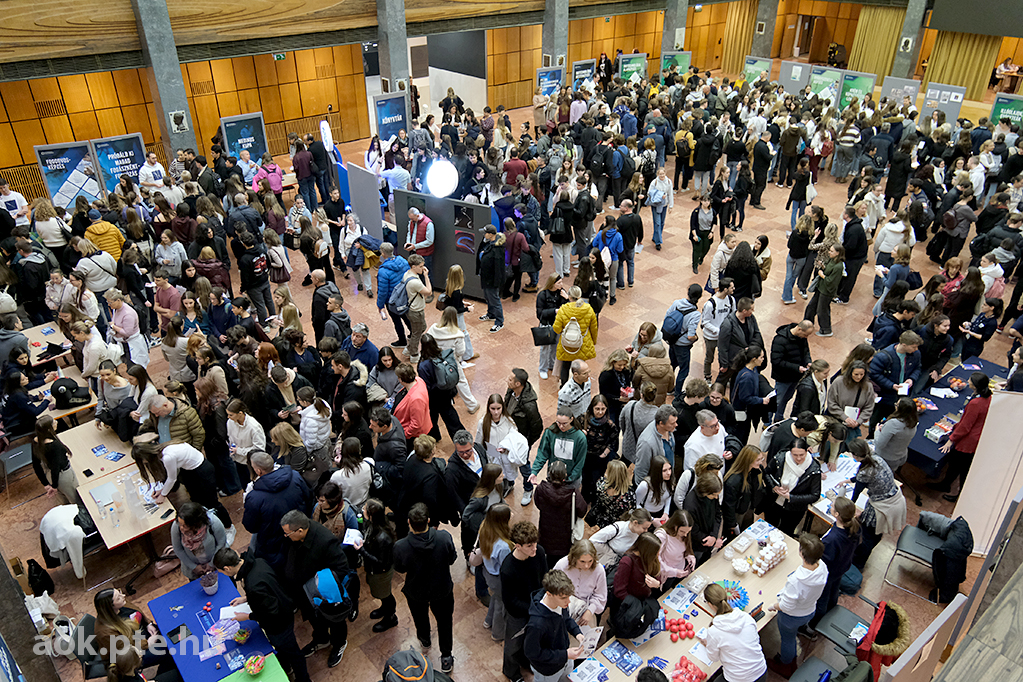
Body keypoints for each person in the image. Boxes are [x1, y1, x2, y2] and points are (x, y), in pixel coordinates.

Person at [214, 547, 311, 682]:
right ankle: (286, 666)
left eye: (222, 572)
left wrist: (247, 616)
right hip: (284, 607)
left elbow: (269, 614)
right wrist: (247, 598)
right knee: (283, 649)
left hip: (279, 624)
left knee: (293, 653)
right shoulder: (258, 562)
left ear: (227, 568)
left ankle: (303, 679)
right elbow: (268, 587)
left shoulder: (253, 585)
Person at [279, 510, 351, 668]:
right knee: (315, 620)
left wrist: (320, 586)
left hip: (324, 595)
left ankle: (339, 643)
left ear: (300, 530)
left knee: (335, 622)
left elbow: (341, 567)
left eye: (287, 533)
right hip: (304, 593)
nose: (285, 536)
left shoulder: (325, 541)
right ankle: (321, 639)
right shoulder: (296, 537)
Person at [394, 502, 458, 673]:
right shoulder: (444, 537)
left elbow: (400, 568)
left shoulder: (401, 546)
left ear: (409, 522)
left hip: (416, 591)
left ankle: (425, 639)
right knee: (445, 622)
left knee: (420, 617)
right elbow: (452, 558)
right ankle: (446, 656)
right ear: (428, 520)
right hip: (442, 589)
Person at [132, 438, 232, 532]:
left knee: (212, 503)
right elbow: (172, 476)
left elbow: (172, 478)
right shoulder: (163, 449)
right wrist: (162, 490)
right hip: (192, 471)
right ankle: (207, 524)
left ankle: (229, 527)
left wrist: (163, 494)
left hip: (202, 471)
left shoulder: (167, 457)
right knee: (197, 501)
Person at [838, 439, 907, 569]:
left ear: (855, 455)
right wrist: (847, 481)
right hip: (895, 500)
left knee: (867, 536)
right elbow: (861, 478)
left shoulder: (865, 472)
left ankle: (858, 564)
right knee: (876, 533)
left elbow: (856, 494)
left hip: (881, 507)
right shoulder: (876, 458)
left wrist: (846, 508)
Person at [766, 534, 828, 678]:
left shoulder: (796, 581)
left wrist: (774, 606)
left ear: (801, 553)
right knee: (791, 635)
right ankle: (788, 658)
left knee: (788, 640)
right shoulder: (823, 568)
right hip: (809, 610)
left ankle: (786, 664)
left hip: (791, 617)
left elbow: (786, 607)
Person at [242, 451, 311, 571]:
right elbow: (309, 498)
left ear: (258, 471)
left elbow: (251, 526)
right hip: (299, 531)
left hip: (272, 543)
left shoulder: (254, 497)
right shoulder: (295, 475)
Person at [932, 372, 992, 502]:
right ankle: (947, 484)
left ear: (975, 385)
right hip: (977, 437)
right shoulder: (988, 398)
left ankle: (956, 493)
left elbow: (965, 426)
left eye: (970, 380)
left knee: (957, 466)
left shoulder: (975, 403)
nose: (968, 381)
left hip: (968, 441)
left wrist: (951, 439)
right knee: (961, 466)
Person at [501, 521, 548, 682]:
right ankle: (511, 672)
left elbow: (545, 578)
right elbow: (510, 602)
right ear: (517, 546)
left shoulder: (539, 552)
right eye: (529, 545)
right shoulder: (508, 569)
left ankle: (526, 663)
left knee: (532, 640)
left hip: (537, 607)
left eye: (535, 543)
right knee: (513, 646)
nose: (534, 548)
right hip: (518, 614)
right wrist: (534, 609)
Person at [699, 582, 768, 682]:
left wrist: (708, 644)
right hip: (761, 671)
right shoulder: (746, 617)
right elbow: (755, 639)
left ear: (710, 604)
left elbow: (713, 658)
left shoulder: (714, 631)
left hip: (738, 678)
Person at [762, 438, 821, 536]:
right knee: (769, 526)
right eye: (795, 455)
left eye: (802, 455)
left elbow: (815, 495)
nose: (798, 458)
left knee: (786, 532)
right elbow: (767, 473)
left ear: (807, 451)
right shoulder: (780, 458)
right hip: (774, 502)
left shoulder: (813, 470)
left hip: (795, 509)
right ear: (790, 452)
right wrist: (774, 487)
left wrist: (791, 497)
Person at [868, 331, 923, 434]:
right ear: (904, 345)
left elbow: (918, 368)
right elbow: (874, 373)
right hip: (885, 396)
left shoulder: (915, 354)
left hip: (903, 395)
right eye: (913, 347)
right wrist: (891, 385)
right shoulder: (883, 356)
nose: (916, 349)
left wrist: (911, 378)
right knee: (876, 419)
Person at [530, 407, 588, 490]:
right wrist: (534, 471)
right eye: (558, 422)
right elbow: (542, 453)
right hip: (553, 477)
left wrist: (570, 479)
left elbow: (580, 462)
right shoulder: (550, 432)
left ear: (571, 419)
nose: (561, 426)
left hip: (571, 481)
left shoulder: (580, 437)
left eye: (564, 423)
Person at [553, 539, 607, 628]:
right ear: (574, 558)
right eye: (582, 561)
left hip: (587, 608)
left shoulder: (599, 570)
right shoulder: (562, 565)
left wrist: (590, 611)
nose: (587, 566)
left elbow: (600, 596)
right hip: (563, 606)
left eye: (590, 561)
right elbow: (552, 588)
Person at [170, 501, 227, 581]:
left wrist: (211, 563)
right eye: (180, 524)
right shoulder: (176, 526)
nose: (181, 528)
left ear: (195, 524)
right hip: (193, 569)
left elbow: (221, 543)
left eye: (185, 526)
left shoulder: (213, 522)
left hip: (217, 561)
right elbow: (178, 549)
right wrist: (194, 567)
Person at [31, 416, 78, 505]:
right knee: (76, 501)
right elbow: (56, 467)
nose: (56, 422)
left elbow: (36, 465)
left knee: (64, 501)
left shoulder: (36, 441)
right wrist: (54, 486)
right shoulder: (55, 446)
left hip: (50, 475)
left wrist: (46, 484)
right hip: (63, 476)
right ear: (49, 429)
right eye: (53, 422)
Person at [721, 445, 765, 538]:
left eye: (761, 459)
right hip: (738, 514)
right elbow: (729, 506)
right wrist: (732, 525)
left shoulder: (754, 471)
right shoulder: (734, 481)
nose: (761, 462)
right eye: (758, 460)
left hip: (747, 509)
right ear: (748, 460)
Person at [730, 345, 770, 445]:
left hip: (747, 411)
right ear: (754, 359)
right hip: (743, 412)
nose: (763, 359)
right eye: (761, 357)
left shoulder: (753, 369)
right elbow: (745, 397)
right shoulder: (747, 377)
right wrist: (762, 400)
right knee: (741, 436)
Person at [803, 243, 843, 337]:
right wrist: (823, 266)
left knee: (822, 310)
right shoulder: (831, 259)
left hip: (826, 291)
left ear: (837, 253)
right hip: (821, 287)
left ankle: (826, 330)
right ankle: (807, 324)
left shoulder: (839, 266)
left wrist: (822, 275)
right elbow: (828, 270)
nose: (829, 252)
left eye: (831, 251)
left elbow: (832, 281)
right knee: (811, 306)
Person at [477, 225, 506, 333]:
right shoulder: (488, 244)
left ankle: (499, 322)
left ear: (490, 234)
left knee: (494, 300)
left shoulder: (497, 249)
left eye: (485, 233)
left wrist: (497, 282)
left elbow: (498, 268)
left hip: (492, 280)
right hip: (486, 277)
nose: (483, 235)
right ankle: (491, 314)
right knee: (487, 297)